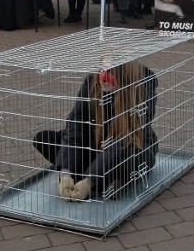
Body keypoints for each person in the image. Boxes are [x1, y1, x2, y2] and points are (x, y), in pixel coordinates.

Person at [32, 60, 159, 201]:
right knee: (43, 139)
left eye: (111, 72)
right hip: (94, 145)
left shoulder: (143, 86)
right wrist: (65, 173)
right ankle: (94, 179)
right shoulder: (92, 81)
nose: (103, 77)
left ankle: (94, 179)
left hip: (128, 147)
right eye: (102, 70)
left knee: (134, 159)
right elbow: (76, 125)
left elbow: (125, 140)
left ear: (126, 75)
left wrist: (89, 181)